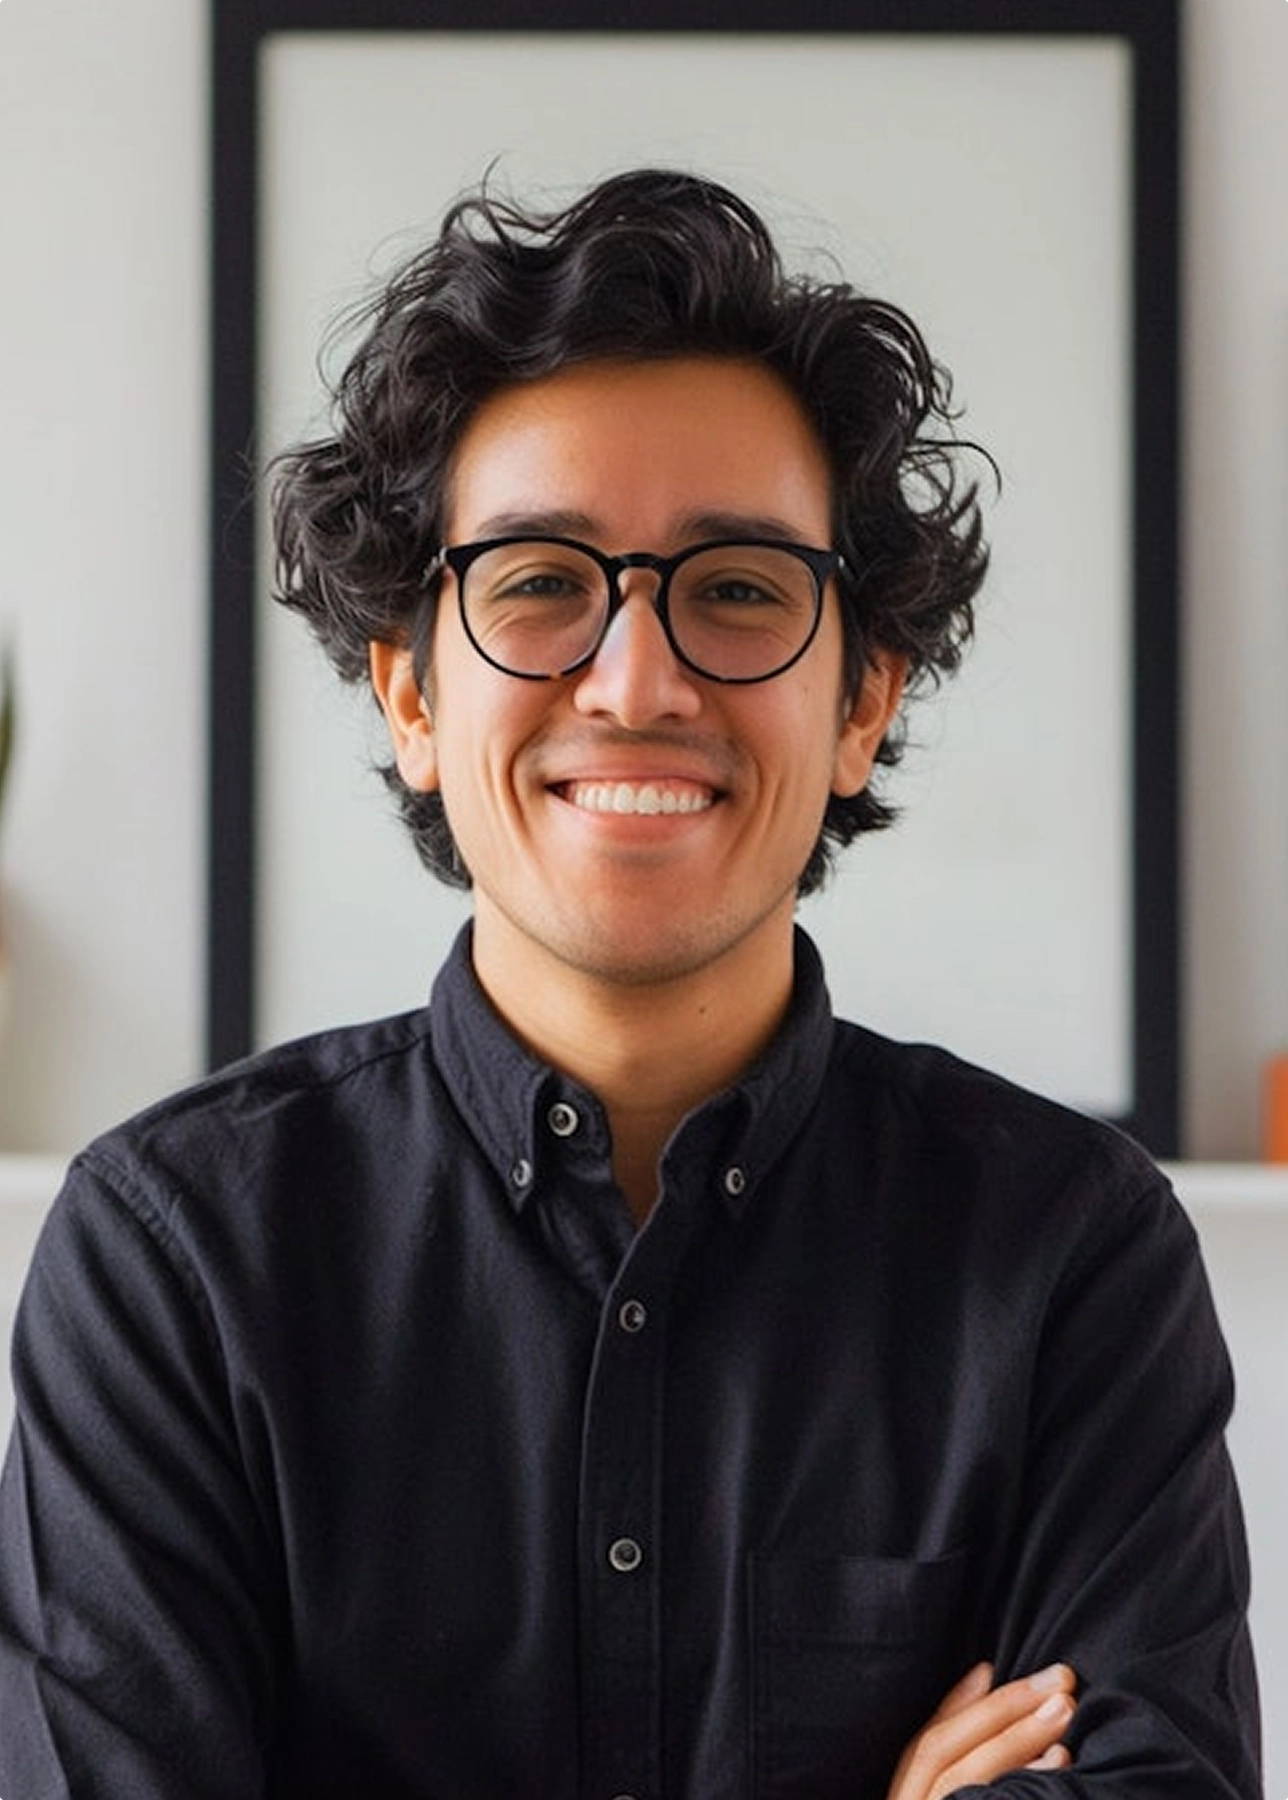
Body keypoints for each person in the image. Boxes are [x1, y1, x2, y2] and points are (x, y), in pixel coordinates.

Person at [0, 169, 1260, 1799]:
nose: (638, 677)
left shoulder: (1071, 1257)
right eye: (538, 584)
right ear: (410, 697)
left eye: (739, 588)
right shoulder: (171, 1264)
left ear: (864, 699)